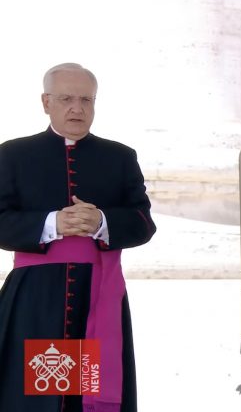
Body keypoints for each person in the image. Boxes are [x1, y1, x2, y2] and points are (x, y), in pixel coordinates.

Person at [0, 63, 156, 412]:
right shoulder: (13, 155)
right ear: (46, 102)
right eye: (66, 99)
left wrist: (102, 222)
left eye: (86, 100)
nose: (77, 108)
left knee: (86, 394)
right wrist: (52, 223)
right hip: (37, 299)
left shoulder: (119, 157)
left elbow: (143, 223)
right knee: (39, 397)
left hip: (98, 295)